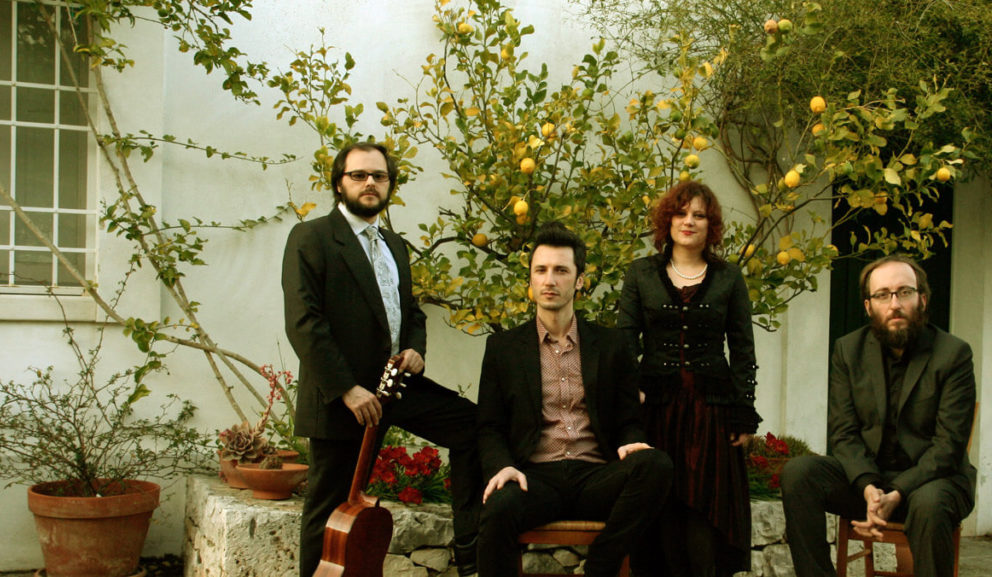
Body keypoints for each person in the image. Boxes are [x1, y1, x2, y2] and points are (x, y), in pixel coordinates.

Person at [282, 142, 481, 576]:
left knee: (475, 428)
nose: (370, 182)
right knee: (330, 511)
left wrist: (416, 349)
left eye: (379, 176)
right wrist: (347, 389)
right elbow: (303, 323)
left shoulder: (395, 244)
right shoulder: (311, 237)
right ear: (339, 183)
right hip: (343, 397)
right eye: (359, 175)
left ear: (390, 184)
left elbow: (411, 311)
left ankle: (470, 556)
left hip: (395, 387)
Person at [476, 221, 674, 577]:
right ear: (531, 279)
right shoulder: (503, 348)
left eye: (561, 270)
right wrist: (501, 466)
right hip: (535, 478)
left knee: (656, 465)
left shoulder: (611, 345)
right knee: (499, 504)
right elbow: (489, 425)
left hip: (595, 477)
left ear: (580, 280)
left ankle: (600, 566)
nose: (549, 280)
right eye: (541, 270)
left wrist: (632, 441)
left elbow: (629, 419)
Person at [781, 254, 976, 577]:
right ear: (869, 306)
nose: (894, 304)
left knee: (929, 505)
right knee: (799, 473)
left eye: (904, 292)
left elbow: (949, 446)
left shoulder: (953, 353)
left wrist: (897, 492)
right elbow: (843, 432)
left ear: (923, 299)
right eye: (883, 295)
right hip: (870, 479)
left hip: (933, 481)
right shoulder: (848, 350)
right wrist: (868, 487)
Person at [617, 181, 760, 577]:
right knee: (660, 508)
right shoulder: (641, 273)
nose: (689, 221)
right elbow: (624, 341)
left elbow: (743, 350)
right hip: (656, 412)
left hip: (711, 416)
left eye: (699, 215)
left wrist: (743, 412)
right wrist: (632, 393)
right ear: (668, 219)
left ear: (710, 224)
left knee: (704, 512)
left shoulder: (729, 277)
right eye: (681, 213)